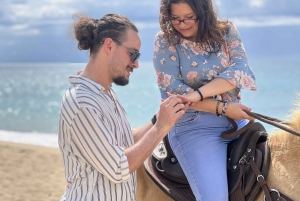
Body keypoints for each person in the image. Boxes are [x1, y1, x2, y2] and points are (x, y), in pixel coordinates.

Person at [58, 13, 189, 201]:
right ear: (109, 45)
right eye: (133, 54)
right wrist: (162, 128)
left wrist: (160, 117)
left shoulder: (105, 94)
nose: (135, 64)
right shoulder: (82, 102)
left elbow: (128, 141)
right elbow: (119, 168)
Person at [153, 0, 257, 200]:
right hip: (194, 126)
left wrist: (197, 94)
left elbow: (239, 70)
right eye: (175, 18)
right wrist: (224, 108)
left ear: (204, 12)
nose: (183, 24)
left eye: (190, 17)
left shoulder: (226, 31)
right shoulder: (165, 41)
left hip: (237, 121)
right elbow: (173, 88)